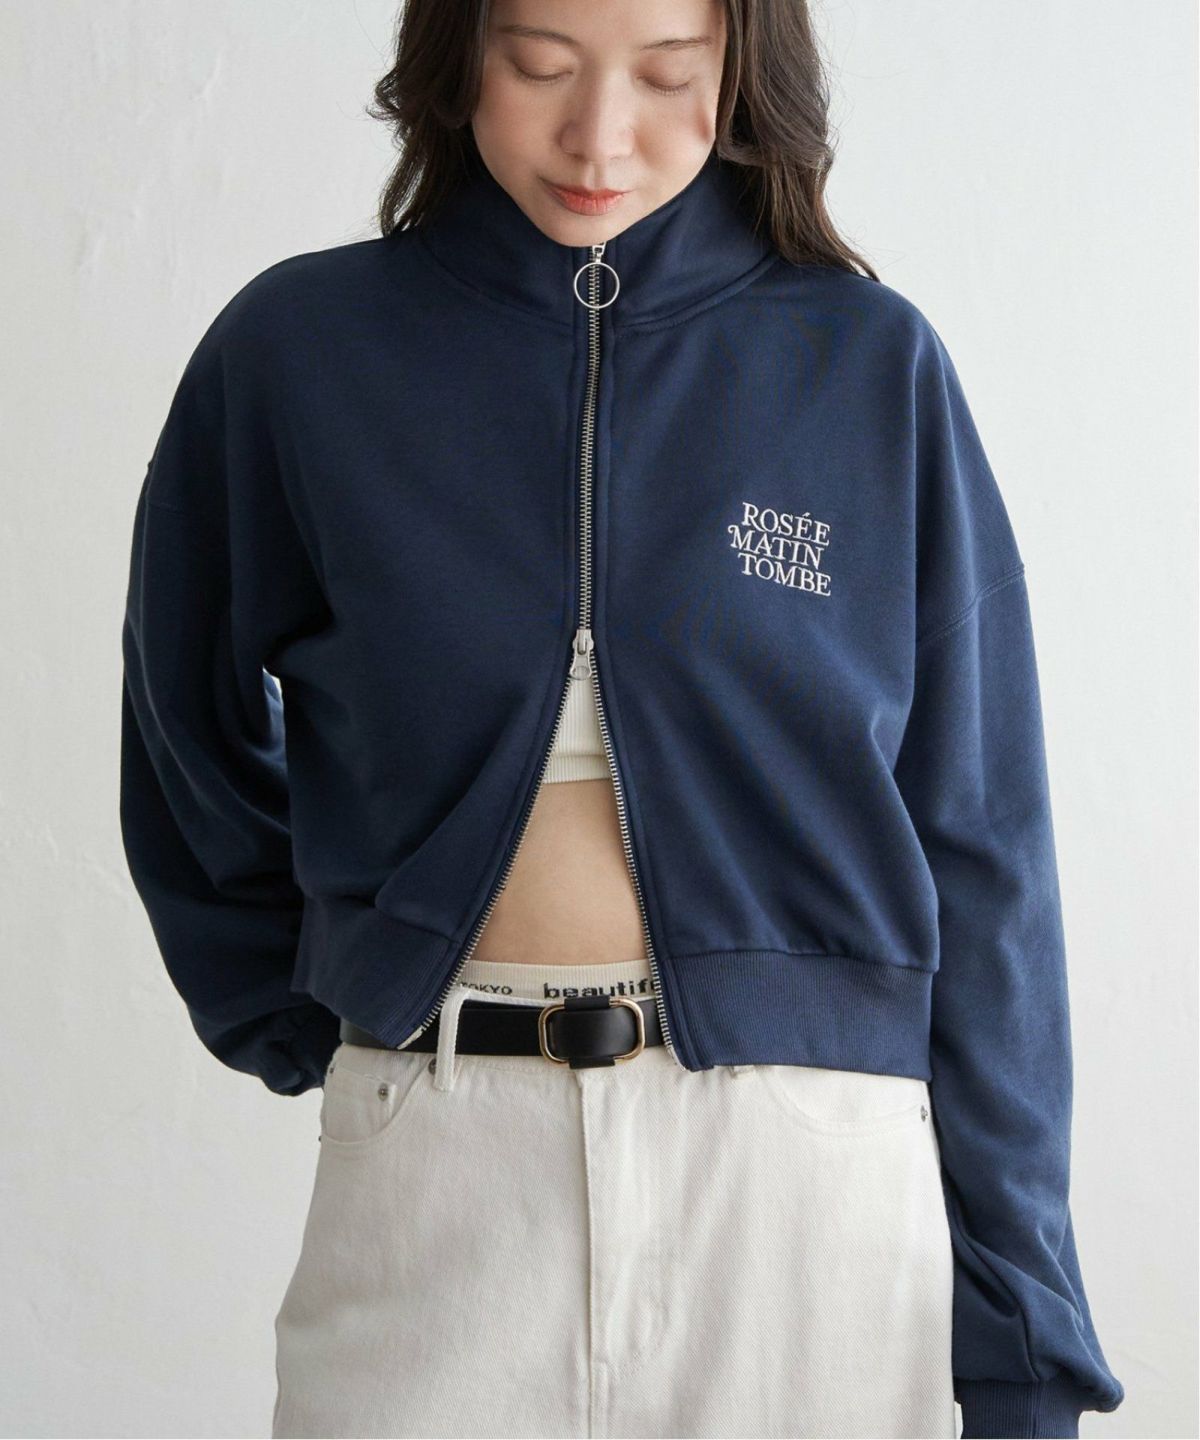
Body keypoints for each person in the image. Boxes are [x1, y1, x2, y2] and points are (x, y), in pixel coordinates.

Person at [118, 1, 1127, 1437]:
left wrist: (1027, 1336)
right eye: (538, 65)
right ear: (459, 51)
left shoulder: (865, 365)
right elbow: (183, 719)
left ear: (743, 75)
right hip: (439, 1163)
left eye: (667, 77)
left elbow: (985, 848)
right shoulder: (301, 352)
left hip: (802, 1185)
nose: (598, 138)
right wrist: (310, 998)